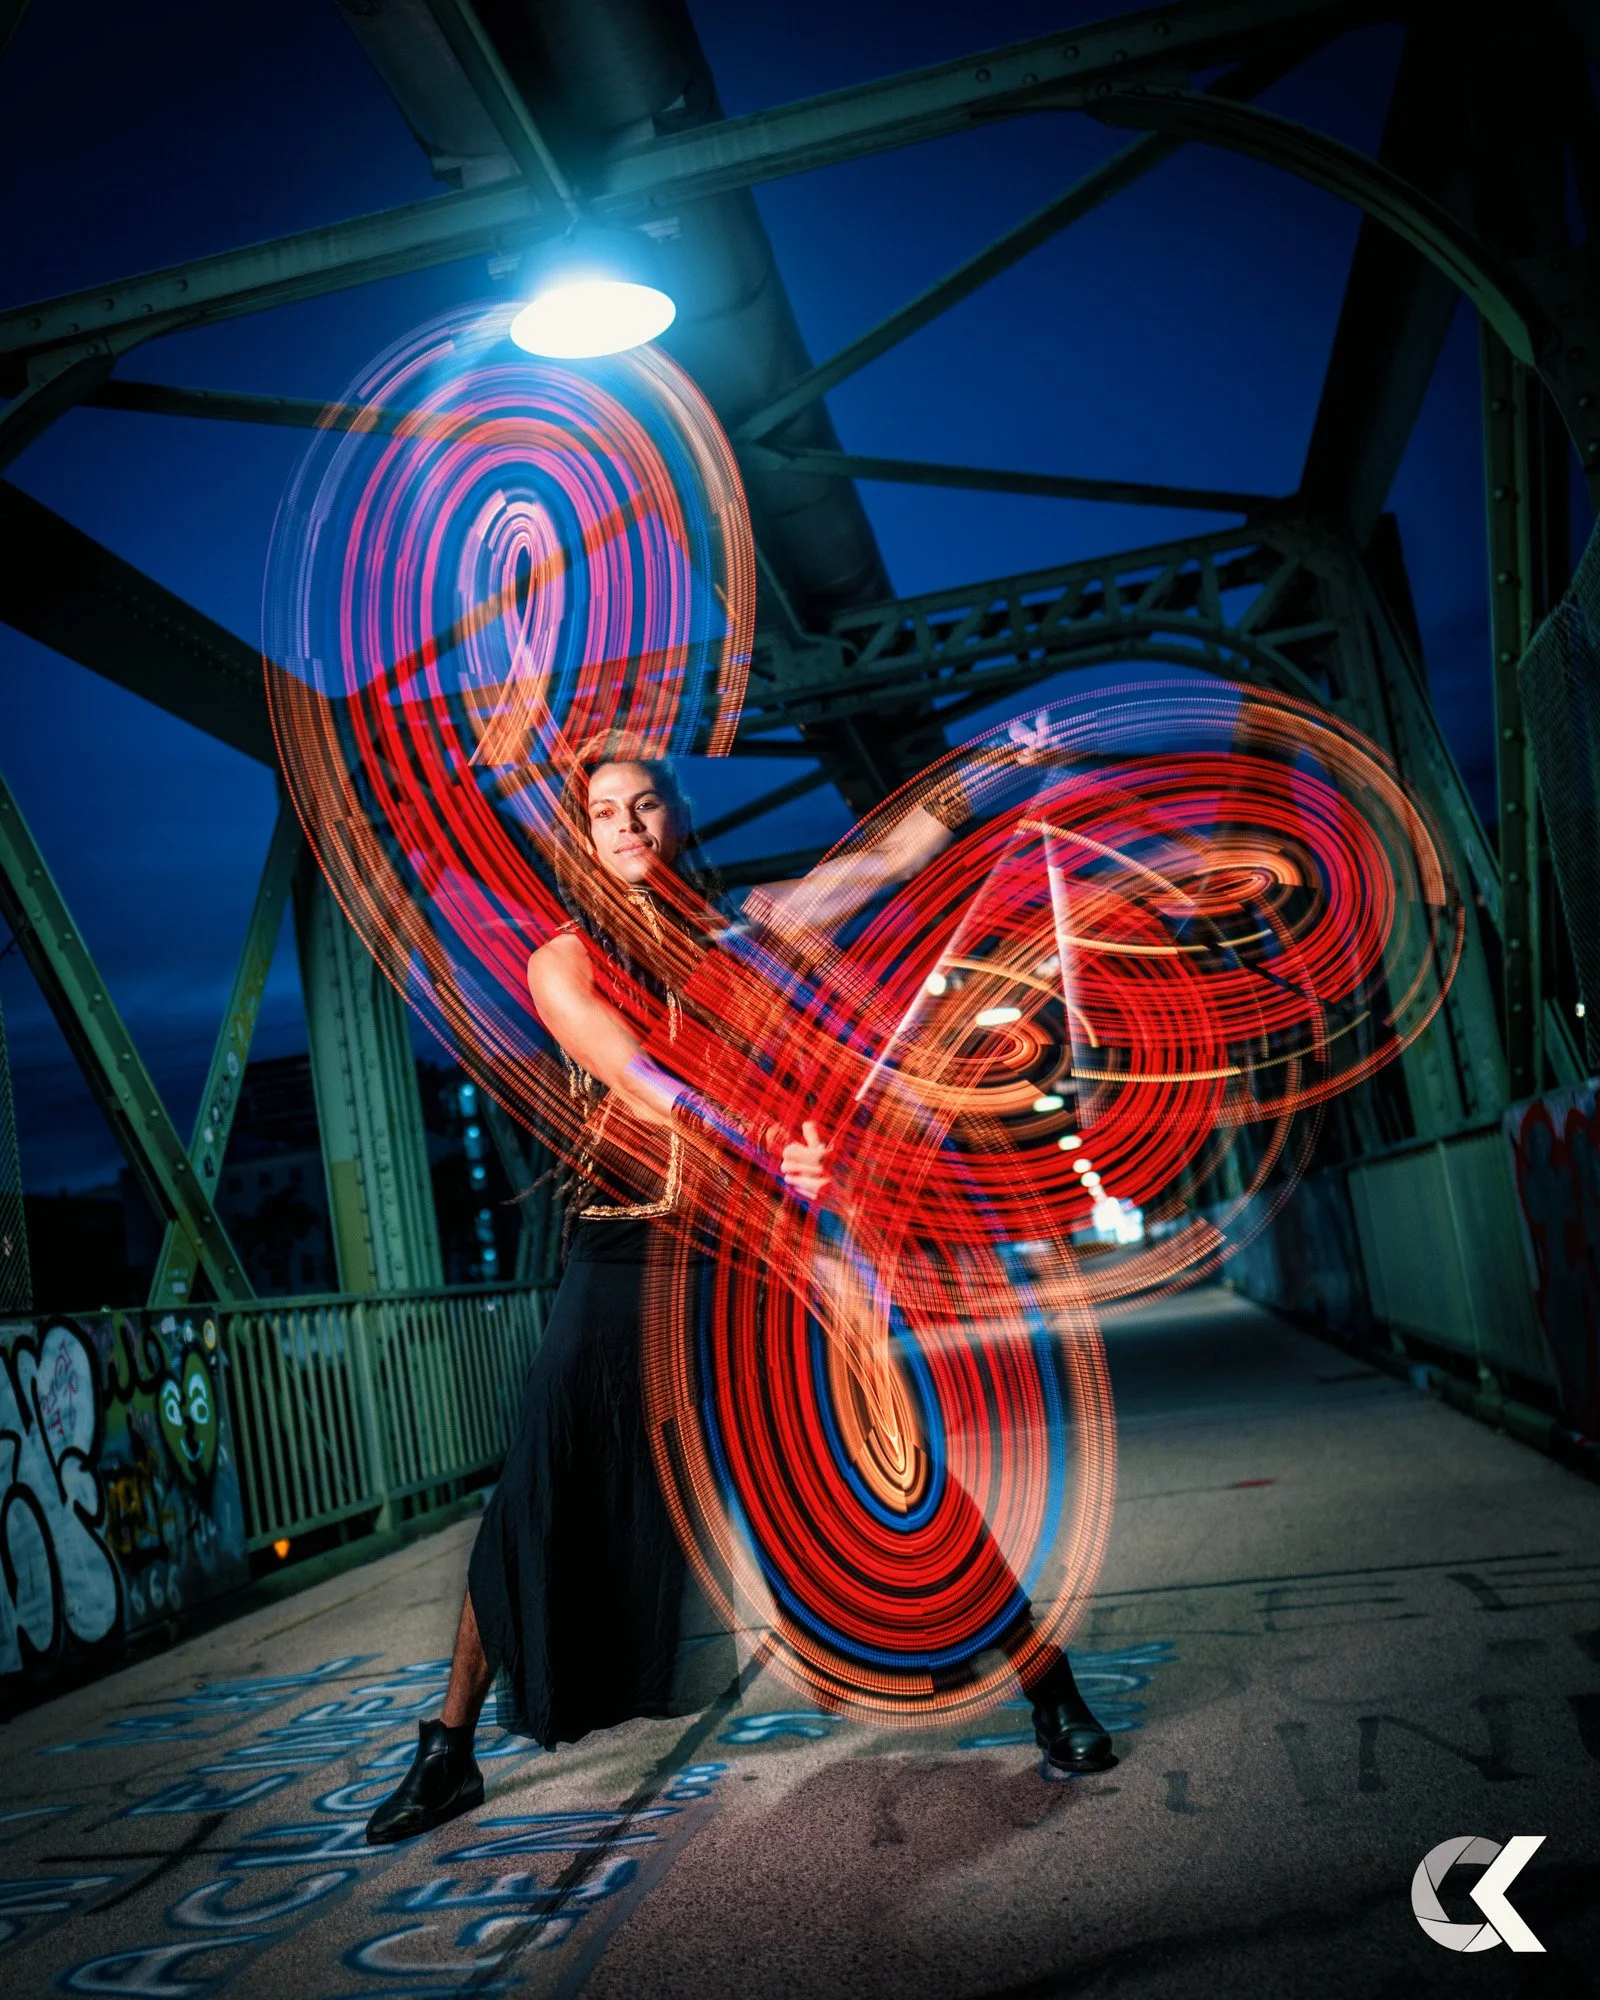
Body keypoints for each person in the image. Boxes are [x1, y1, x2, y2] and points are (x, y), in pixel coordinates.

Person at [365, 751, 1112, 1844]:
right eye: (603, 814)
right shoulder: (561, 962)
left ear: (675, 815)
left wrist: (1006, 759)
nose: (626, 826)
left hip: (743, 1252)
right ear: (585, 837)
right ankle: (448, 1747)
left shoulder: (744, 931)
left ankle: (1049, 1683)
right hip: (621, 1254)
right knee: (538, 1486)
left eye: (643, 803)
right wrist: (766, 1139)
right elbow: (636, 1075)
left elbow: (885, 859)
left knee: (875, 1470)